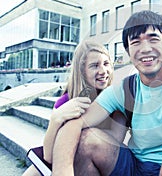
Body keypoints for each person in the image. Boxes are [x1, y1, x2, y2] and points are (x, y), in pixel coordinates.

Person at [51, 10, 162, 176]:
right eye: (136, 42)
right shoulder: (125, 89)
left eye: (153, 39)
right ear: (129, 52)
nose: (145, 49)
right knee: (87, 139)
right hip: (134, 165)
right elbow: (73, 126)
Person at [22, 40, 126, 176]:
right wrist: (55, 119)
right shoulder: (66, 100)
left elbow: (116, 140)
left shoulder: (115, 98)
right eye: (95, 66)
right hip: (66, 161)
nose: (103, 71)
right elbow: (48, 157)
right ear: (82, 71)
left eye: (106, 64)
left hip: (101, 161)